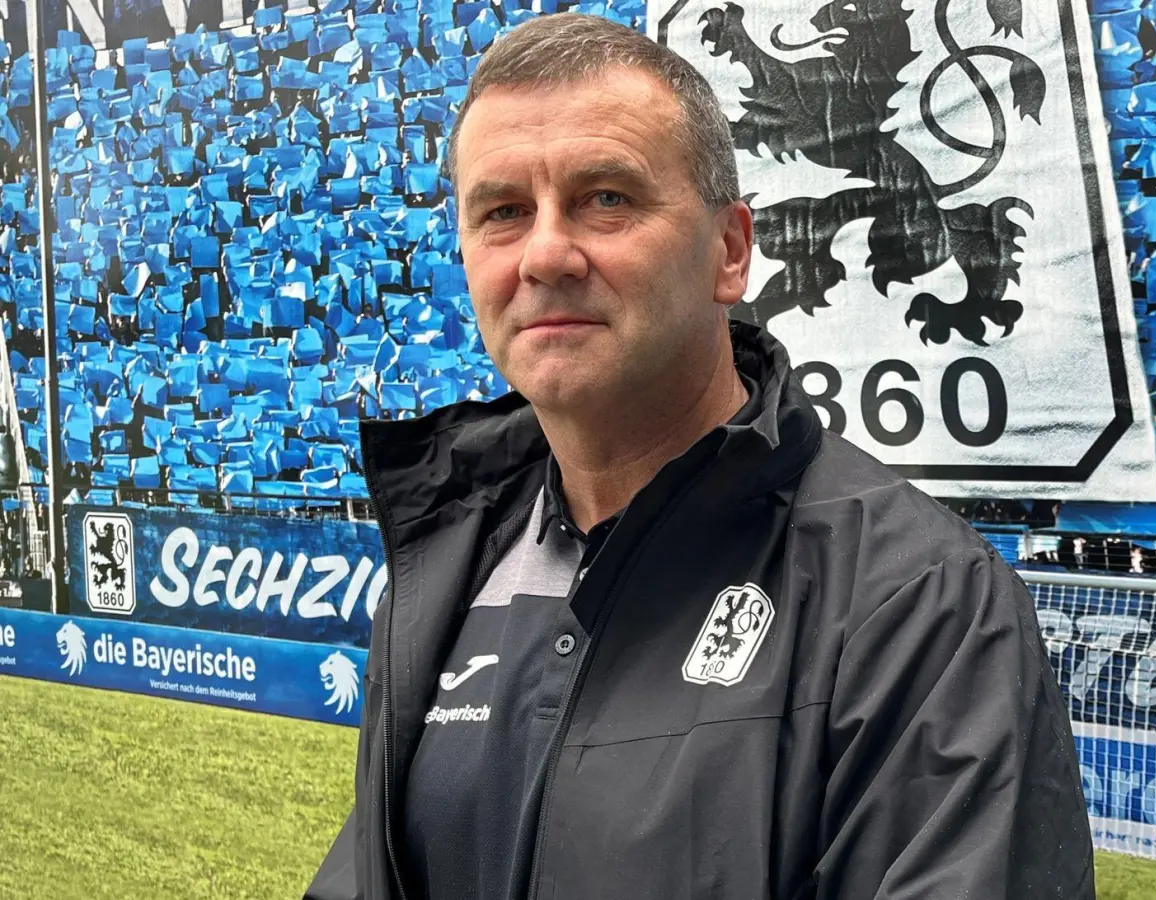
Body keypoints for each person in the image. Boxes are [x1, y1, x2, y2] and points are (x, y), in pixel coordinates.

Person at [305, 12, 1093, 900]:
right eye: (504, 212)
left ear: (729, 252)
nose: (547, 254)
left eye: (608, 198)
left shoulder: (920, 605)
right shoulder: (446, 557)